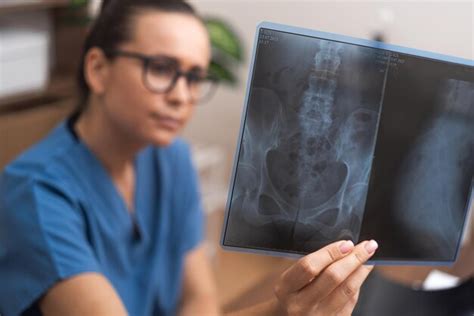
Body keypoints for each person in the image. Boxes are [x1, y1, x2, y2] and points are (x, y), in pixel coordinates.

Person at [0, 1, 378, 315]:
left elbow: (198, 301)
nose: (182, 96)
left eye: (195, 77)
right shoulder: (34, 196)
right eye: (161, 69)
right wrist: (281, 312)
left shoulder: (170, 158)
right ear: (98, 69)